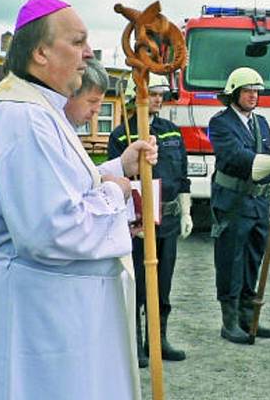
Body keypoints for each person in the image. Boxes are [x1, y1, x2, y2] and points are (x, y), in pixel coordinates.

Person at [0, 0, 157, 400]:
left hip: (59, 304)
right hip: (46, 311)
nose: (88, 54)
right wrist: (117, 197)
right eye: (78, 42)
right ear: (41, 52)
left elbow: (59, 184)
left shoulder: (39, 109)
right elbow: (50, 229)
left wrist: (119, 166)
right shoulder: (25, 117)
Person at [108, 72, 193, 367]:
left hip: (168, 221)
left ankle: (158, 339)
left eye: (160, 94)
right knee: (140, 286)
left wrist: (187, 209)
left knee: (164, 285)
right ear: (136, 97)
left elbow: (181, 175)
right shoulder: (122, 135)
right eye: (152, 93)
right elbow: (118, 180)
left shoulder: (172, 132)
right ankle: (136, 343)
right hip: (140, 223)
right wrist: (133, 219)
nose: (157, 98)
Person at [208, 67, 270, 344]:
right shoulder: (221, 123)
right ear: (234, 93)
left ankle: (247, 316)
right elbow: (235, 156)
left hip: (257, 201)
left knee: (253, 258)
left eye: (257, 91)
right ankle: (229, 321)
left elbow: (265, 156)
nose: (253, 96)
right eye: (248, 91)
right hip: (232, 200)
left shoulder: (261, 124)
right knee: (231, 259)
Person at [64, 57, 109, 129]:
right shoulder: (46, 128)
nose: (97, 110)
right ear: (69, 93)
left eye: (101, 103)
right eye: (93, 101)